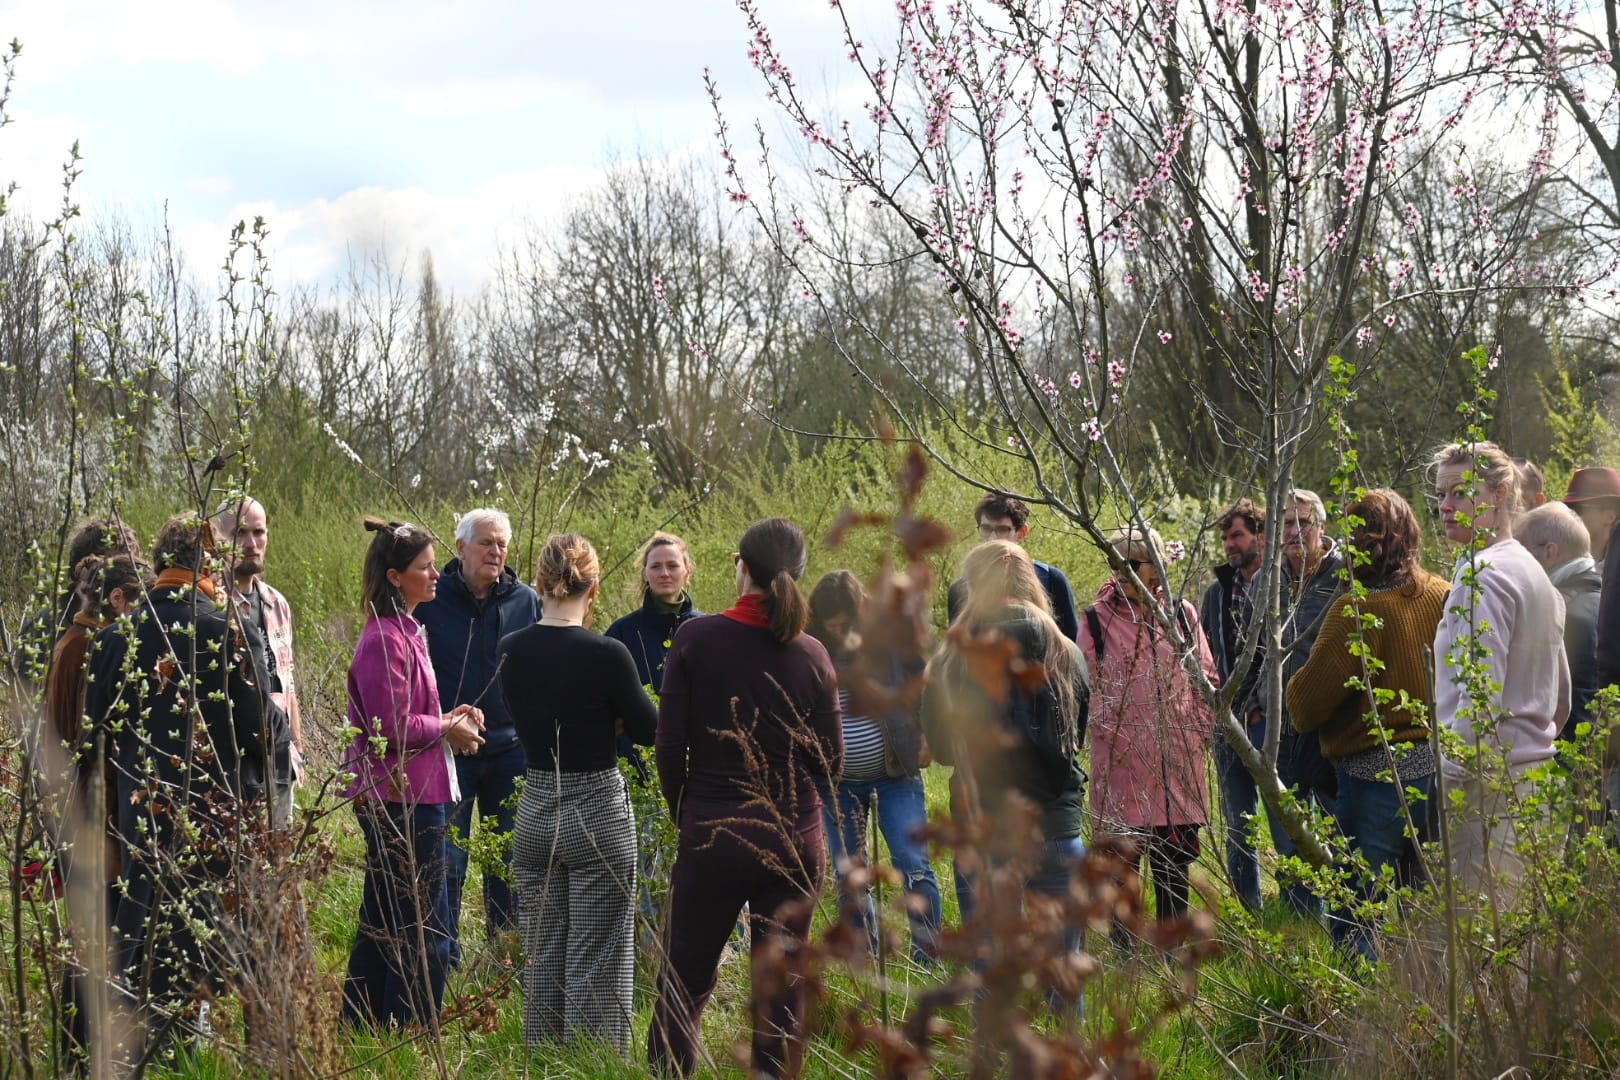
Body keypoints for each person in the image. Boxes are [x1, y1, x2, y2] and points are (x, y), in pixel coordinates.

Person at [648, 518, 843, 1078]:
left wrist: (685, 809)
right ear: (799, 575)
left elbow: (670, 747)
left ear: (741, 566)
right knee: (780, 992)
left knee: (684, 981)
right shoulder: (812, 655)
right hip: (792, 838)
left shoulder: (695, 638)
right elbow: (831, 767)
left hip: (711, 830)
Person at [83, 513, 279, 1047]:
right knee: (215, 945)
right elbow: (266, 727)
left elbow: (91, 743)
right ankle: (201, 1048)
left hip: (140, 820)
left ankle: (145, 1049)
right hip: (217, 823)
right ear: (210, 564)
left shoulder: (116, 636)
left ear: (162, 560)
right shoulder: (227, 631)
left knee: (144, 940)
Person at [498, 534, 656, 1052]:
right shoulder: (608, 654)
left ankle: (542, 1059)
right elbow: (649, 729)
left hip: (537, 805)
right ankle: (592, 1062)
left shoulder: (511, 650)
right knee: (599, 952)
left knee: (542, 953)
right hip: (597, 807)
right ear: (594, 588)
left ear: (540, 584)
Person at [924, 540, 1089, 1004]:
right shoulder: (1068, 653)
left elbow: (939, 748)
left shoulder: (952, 658)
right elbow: (1077, 737)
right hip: (1058, 827)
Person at [1286, 490, 1449, 959]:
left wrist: (1299, 677)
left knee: (1357, 913)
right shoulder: (1440, 594)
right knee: (1425, 911)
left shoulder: (1356, 612)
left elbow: (1304, 706)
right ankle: (1428, 1016)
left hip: (1372, 776)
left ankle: (1358, 1027)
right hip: (1436, 773)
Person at [340, 518, 486, 1030]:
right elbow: (389, 725)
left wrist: (453, 714)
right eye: (425, 568)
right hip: (402, 797)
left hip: (417, 793)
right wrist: (447, 726)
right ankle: (415, 1032)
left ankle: (362, 1029)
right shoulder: (384, 637)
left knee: (384, 919)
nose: (435, 575)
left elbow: (411, 710)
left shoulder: (407, 630)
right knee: (424, 925)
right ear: (396, 576)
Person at [1432, 442, 1570, 903]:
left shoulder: (1484, 577)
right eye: (1441, 495)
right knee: (1528, 951)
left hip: (1489, 793)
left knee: (1489, 961)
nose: (1445, 507)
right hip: (1536, 782)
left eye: (1458, 493)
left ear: (1499, 493)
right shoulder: (1535, 573)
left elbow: (1478, 701)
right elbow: (1561, 701)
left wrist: (1450, 781)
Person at [414, 508, 539, 965]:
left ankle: (504, 955)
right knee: (448, 859)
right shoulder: (432, 597)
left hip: (511, 751)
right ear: (461, 546)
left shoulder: (526, 601)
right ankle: (443, 956)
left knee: (508, 859)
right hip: (446, 750)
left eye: (502, 544)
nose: (496, 551)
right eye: (486, 542)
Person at [44, 553, 149, 1067]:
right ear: (116, 600)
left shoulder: (78, 643)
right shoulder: (84, 648)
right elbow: (79, 743)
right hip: (90, 816)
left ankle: (82, 1052)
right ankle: (79, 1054)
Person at [1081, 528, 1216, 925]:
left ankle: (1172, 953)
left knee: (1174, 870)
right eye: (1117, 565)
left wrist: (1194, 730)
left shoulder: (1181, 615)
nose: (1123, 574)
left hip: (1178, 770)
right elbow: (1084, 691)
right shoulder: (1094, 620)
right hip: (1122, 773)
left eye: (1133, 566)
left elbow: (1206, 678)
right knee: (1121, 874)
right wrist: (1118, 735)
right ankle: (1128, 964)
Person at [807, 569, 941, 964]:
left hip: (896, 774)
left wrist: (930, 736)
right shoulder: (810, 648)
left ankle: (927, 958)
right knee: (849, 877)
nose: (840, 630)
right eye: (832, 624)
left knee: (913, 862)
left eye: (847, 622)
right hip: (838, 784)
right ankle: (864, 962)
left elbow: (927, 687)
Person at [1262, 489, 1345, 916]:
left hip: (1332, 725)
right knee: (1288, 831)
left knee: (1337, 827)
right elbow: (1252, 651)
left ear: (1322, 526)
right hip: (1280, 728)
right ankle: (1300, 921)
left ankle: (1345, 916)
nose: (1295, 532)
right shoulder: (1266, 581)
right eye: (1286, 524)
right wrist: (1254, 707)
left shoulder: (1346, 575)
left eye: (1303, 522)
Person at [214, 497, 301, 828]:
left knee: (280, 870)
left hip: (281, 764)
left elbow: (288, 683)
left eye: (259, 532)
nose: (251, 544)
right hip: (236, 768)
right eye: (240, 533)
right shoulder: (213, 604)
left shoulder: (276, 602)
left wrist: (298, 751)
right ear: (218, 538)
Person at [1198, 499, 1267, 912]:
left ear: (1259, 535)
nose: (1229, 545)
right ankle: (1249, 911)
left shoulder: (1282, 585)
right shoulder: (1216, 593)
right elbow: (1205, 655)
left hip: (1270, 724)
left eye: (1237, 535)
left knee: (1285, 822)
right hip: (1227, 727)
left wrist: (1261, 709)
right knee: (1239, 827)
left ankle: (1303, 911)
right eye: (1225, 538)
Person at [947, 493, 1080, 642]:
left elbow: (1072, 648)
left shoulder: (1052, 580)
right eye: (986, 528)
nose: (992, 539)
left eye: (1002, 530)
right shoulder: (961, 588)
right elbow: (955, 651)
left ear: (1022, 533)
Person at [1518, 503, 1600, 742]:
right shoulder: (1605, 597)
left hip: (1572, 763)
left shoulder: (1558, 613)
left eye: (1521, 550)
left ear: (1550, 552)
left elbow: (1568, 706)